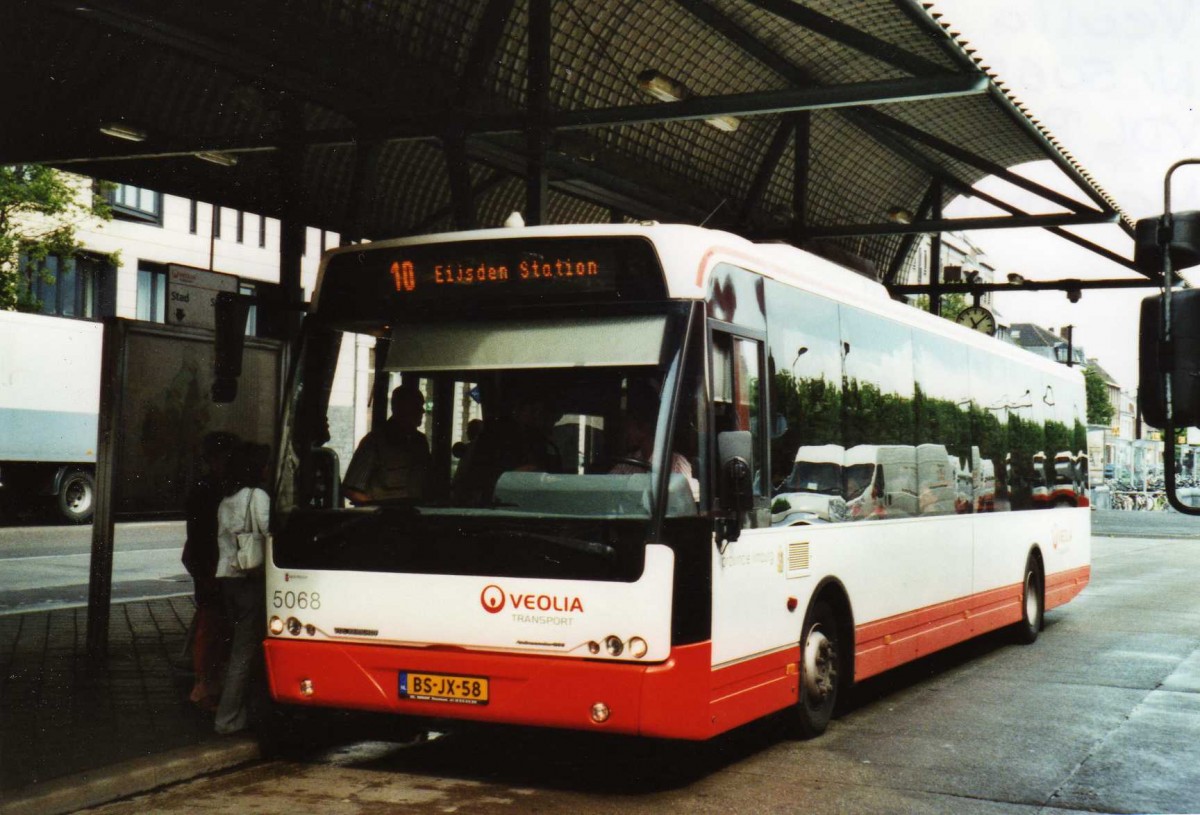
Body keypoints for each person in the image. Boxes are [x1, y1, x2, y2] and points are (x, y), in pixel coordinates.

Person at [214, 442, 271, 735]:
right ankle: (228, 719)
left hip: (227, 578)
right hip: (249, 579)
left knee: (237, 645)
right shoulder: (257, 496)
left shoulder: (226, 500)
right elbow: (268, 531)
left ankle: (239, 713)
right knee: (244, 651)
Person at [181, 431, 237, 712]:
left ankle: (207, 684)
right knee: (210, 622)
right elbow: (202, 535)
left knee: (214, 623)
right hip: (209, 563)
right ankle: (202, 687)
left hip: (209, 562)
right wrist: (209, 572)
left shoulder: (209, 486)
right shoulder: (208, 489)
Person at [342, 385, 431, 505]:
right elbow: (351, 489)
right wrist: (381, 510)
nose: (422, 411)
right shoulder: (374, 443)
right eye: (416, 406)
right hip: (383, 520)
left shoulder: (420, 442)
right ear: (401, 408)